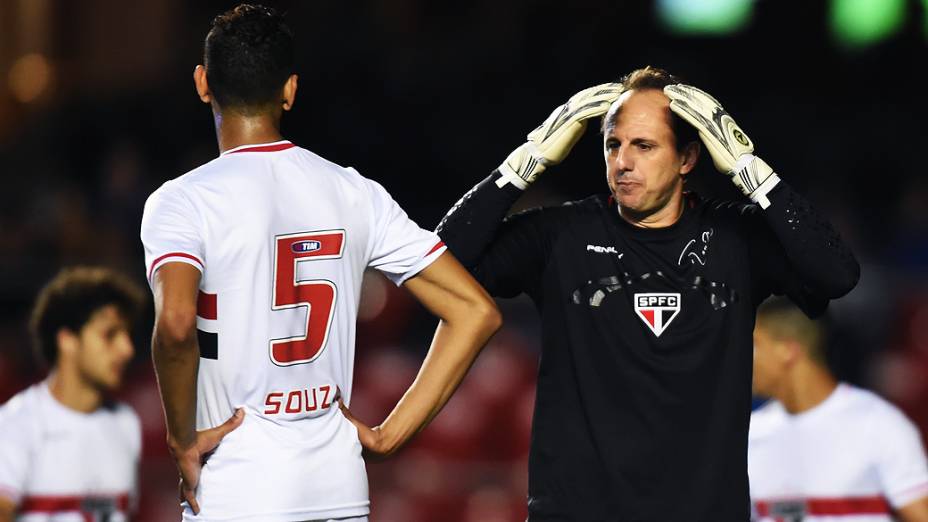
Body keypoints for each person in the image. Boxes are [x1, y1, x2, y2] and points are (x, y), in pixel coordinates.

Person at [435, 67, 860, 520]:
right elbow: (433, 267)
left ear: (688, 158)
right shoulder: (561, 235)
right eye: (613, 144)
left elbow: (836, 275)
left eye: (644, 146)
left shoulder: (737, 239)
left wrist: (748, 168)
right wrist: (525, 162)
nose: (623, 162)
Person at [139, 4, 500, 521]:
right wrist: (389, 434)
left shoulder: (182, 201)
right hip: (337, 486)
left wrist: (180, 440)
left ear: (202, 83)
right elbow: (475, 311)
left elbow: (175, 326)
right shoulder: (352, 191)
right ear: (289, 89)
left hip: (237, 487)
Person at [749, 297, 928, 522]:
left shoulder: (877, 425)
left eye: (754, 345)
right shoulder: (750, 433)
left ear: (788, 349)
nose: (744, 357)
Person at [0, 266, 145, 522]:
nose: (126, 349)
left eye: (127, 335)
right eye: (110, 335)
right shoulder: (16, 424)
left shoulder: (127, 424)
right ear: (67, 340)